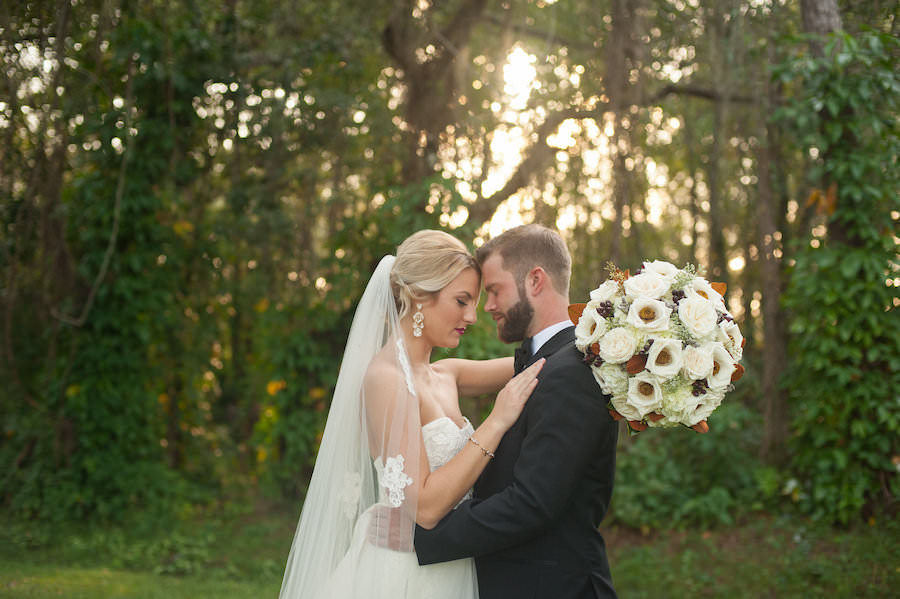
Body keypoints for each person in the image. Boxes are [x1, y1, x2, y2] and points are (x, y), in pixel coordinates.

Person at [278, 230, 545, 599]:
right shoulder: (386, 379)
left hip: (449, 563)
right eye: (462, 301)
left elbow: (537, 363)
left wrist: (604, 326)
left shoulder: (445, 373)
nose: (471, 316)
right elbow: (427, 507)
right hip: (403, 575)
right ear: (419, 296)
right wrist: (497, 421)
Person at [414, 224, 620, 598]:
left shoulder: (571, 371)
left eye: (494, 291)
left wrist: (422, 541)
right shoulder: (546, 360)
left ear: (535, 281)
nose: (487, 307)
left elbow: (532, 503)